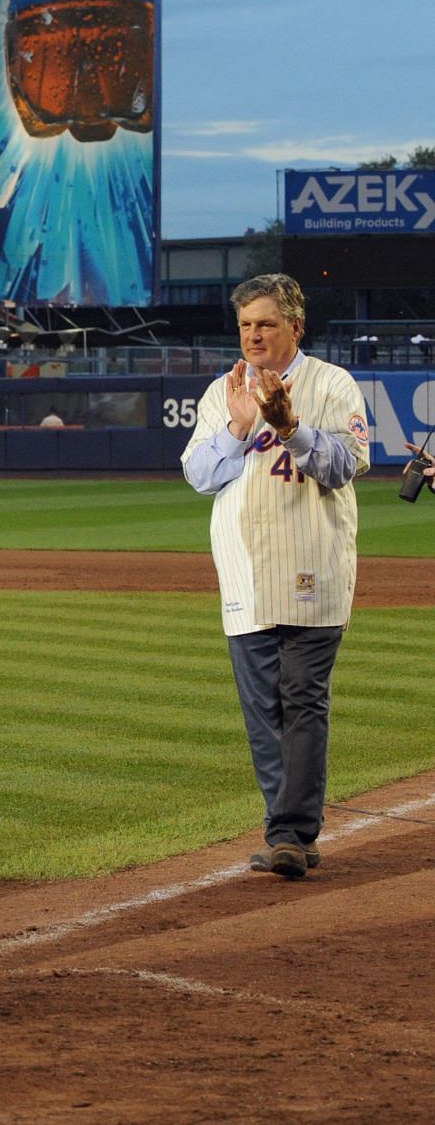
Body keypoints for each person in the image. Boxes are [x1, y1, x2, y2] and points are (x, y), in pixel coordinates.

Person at [181, 273, 369, 880]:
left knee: (302, 699)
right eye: (245, 325)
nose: (253, 335)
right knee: (264, 709)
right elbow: (198, 473)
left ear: (295, 325)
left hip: (313, 560)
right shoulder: (223, 392)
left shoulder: (331, 383)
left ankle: (288, 833)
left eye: (265, 323)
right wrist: (238, 428)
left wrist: (292, 428)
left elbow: (347, 464)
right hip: (242, 572)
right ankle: (291, 830)